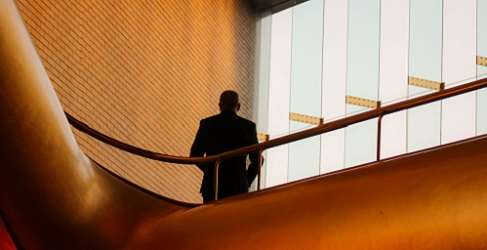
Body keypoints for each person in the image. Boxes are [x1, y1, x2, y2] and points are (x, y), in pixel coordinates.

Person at [190, 90, 262, 203]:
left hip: (213, 184)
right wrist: (245, 180)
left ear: (220, 105)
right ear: (238, 106)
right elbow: (258, 159)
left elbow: (194, 155)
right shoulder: (248, 127)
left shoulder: (207, 124)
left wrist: (211, 170)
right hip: (237, 185)